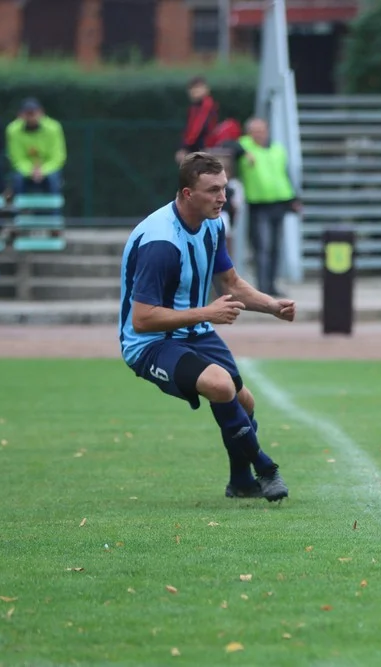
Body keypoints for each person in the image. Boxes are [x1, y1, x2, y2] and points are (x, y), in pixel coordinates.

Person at [118, 152, 296, 500]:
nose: (222, 198)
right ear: (187, 194)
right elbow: (141, 319)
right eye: (213, 190)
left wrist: (271, 306)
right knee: (220, 384)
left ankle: (241, 483)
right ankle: (265, 467)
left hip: (195, 331)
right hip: (151, 343)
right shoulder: (161, 244)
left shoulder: (213, 223)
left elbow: (229, 282)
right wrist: (206, 313)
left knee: (244, 401)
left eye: (224, 188)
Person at [233, 117, 301, 297]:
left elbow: (282, 175)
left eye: (261, 130)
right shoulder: (244, 146)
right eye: (255, 131)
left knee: (275, 248)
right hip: (259, 204)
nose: (259, 134)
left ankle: (271, 285)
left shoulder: (277, 149)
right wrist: (243, 150)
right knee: (263, 246)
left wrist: (293, 198)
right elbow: (229, 145)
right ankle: (262, 287)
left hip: (280, 202)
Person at [6, 98, 66, 196]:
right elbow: (16, 158)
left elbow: (58, 157)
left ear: (41, 113)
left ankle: (54, 211)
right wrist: (31, 170)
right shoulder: (12, 130)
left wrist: (43, 170)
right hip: (25, 171)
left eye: (33, 113)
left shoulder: (54, 128)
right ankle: (20, 211)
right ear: (21, 115)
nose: (31, 117)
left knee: (53, 179)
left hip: (48, 170)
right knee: (18, 179)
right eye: (28, 113)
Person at [176, 76, 219, 165]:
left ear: (206, 89)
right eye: (192, 88)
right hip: (198, 150)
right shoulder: (193, 108)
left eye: (198, 88)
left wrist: (185, 148)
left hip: (205, 150)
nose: (195, 91)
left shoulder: (207, 106)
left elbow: (198, 129)